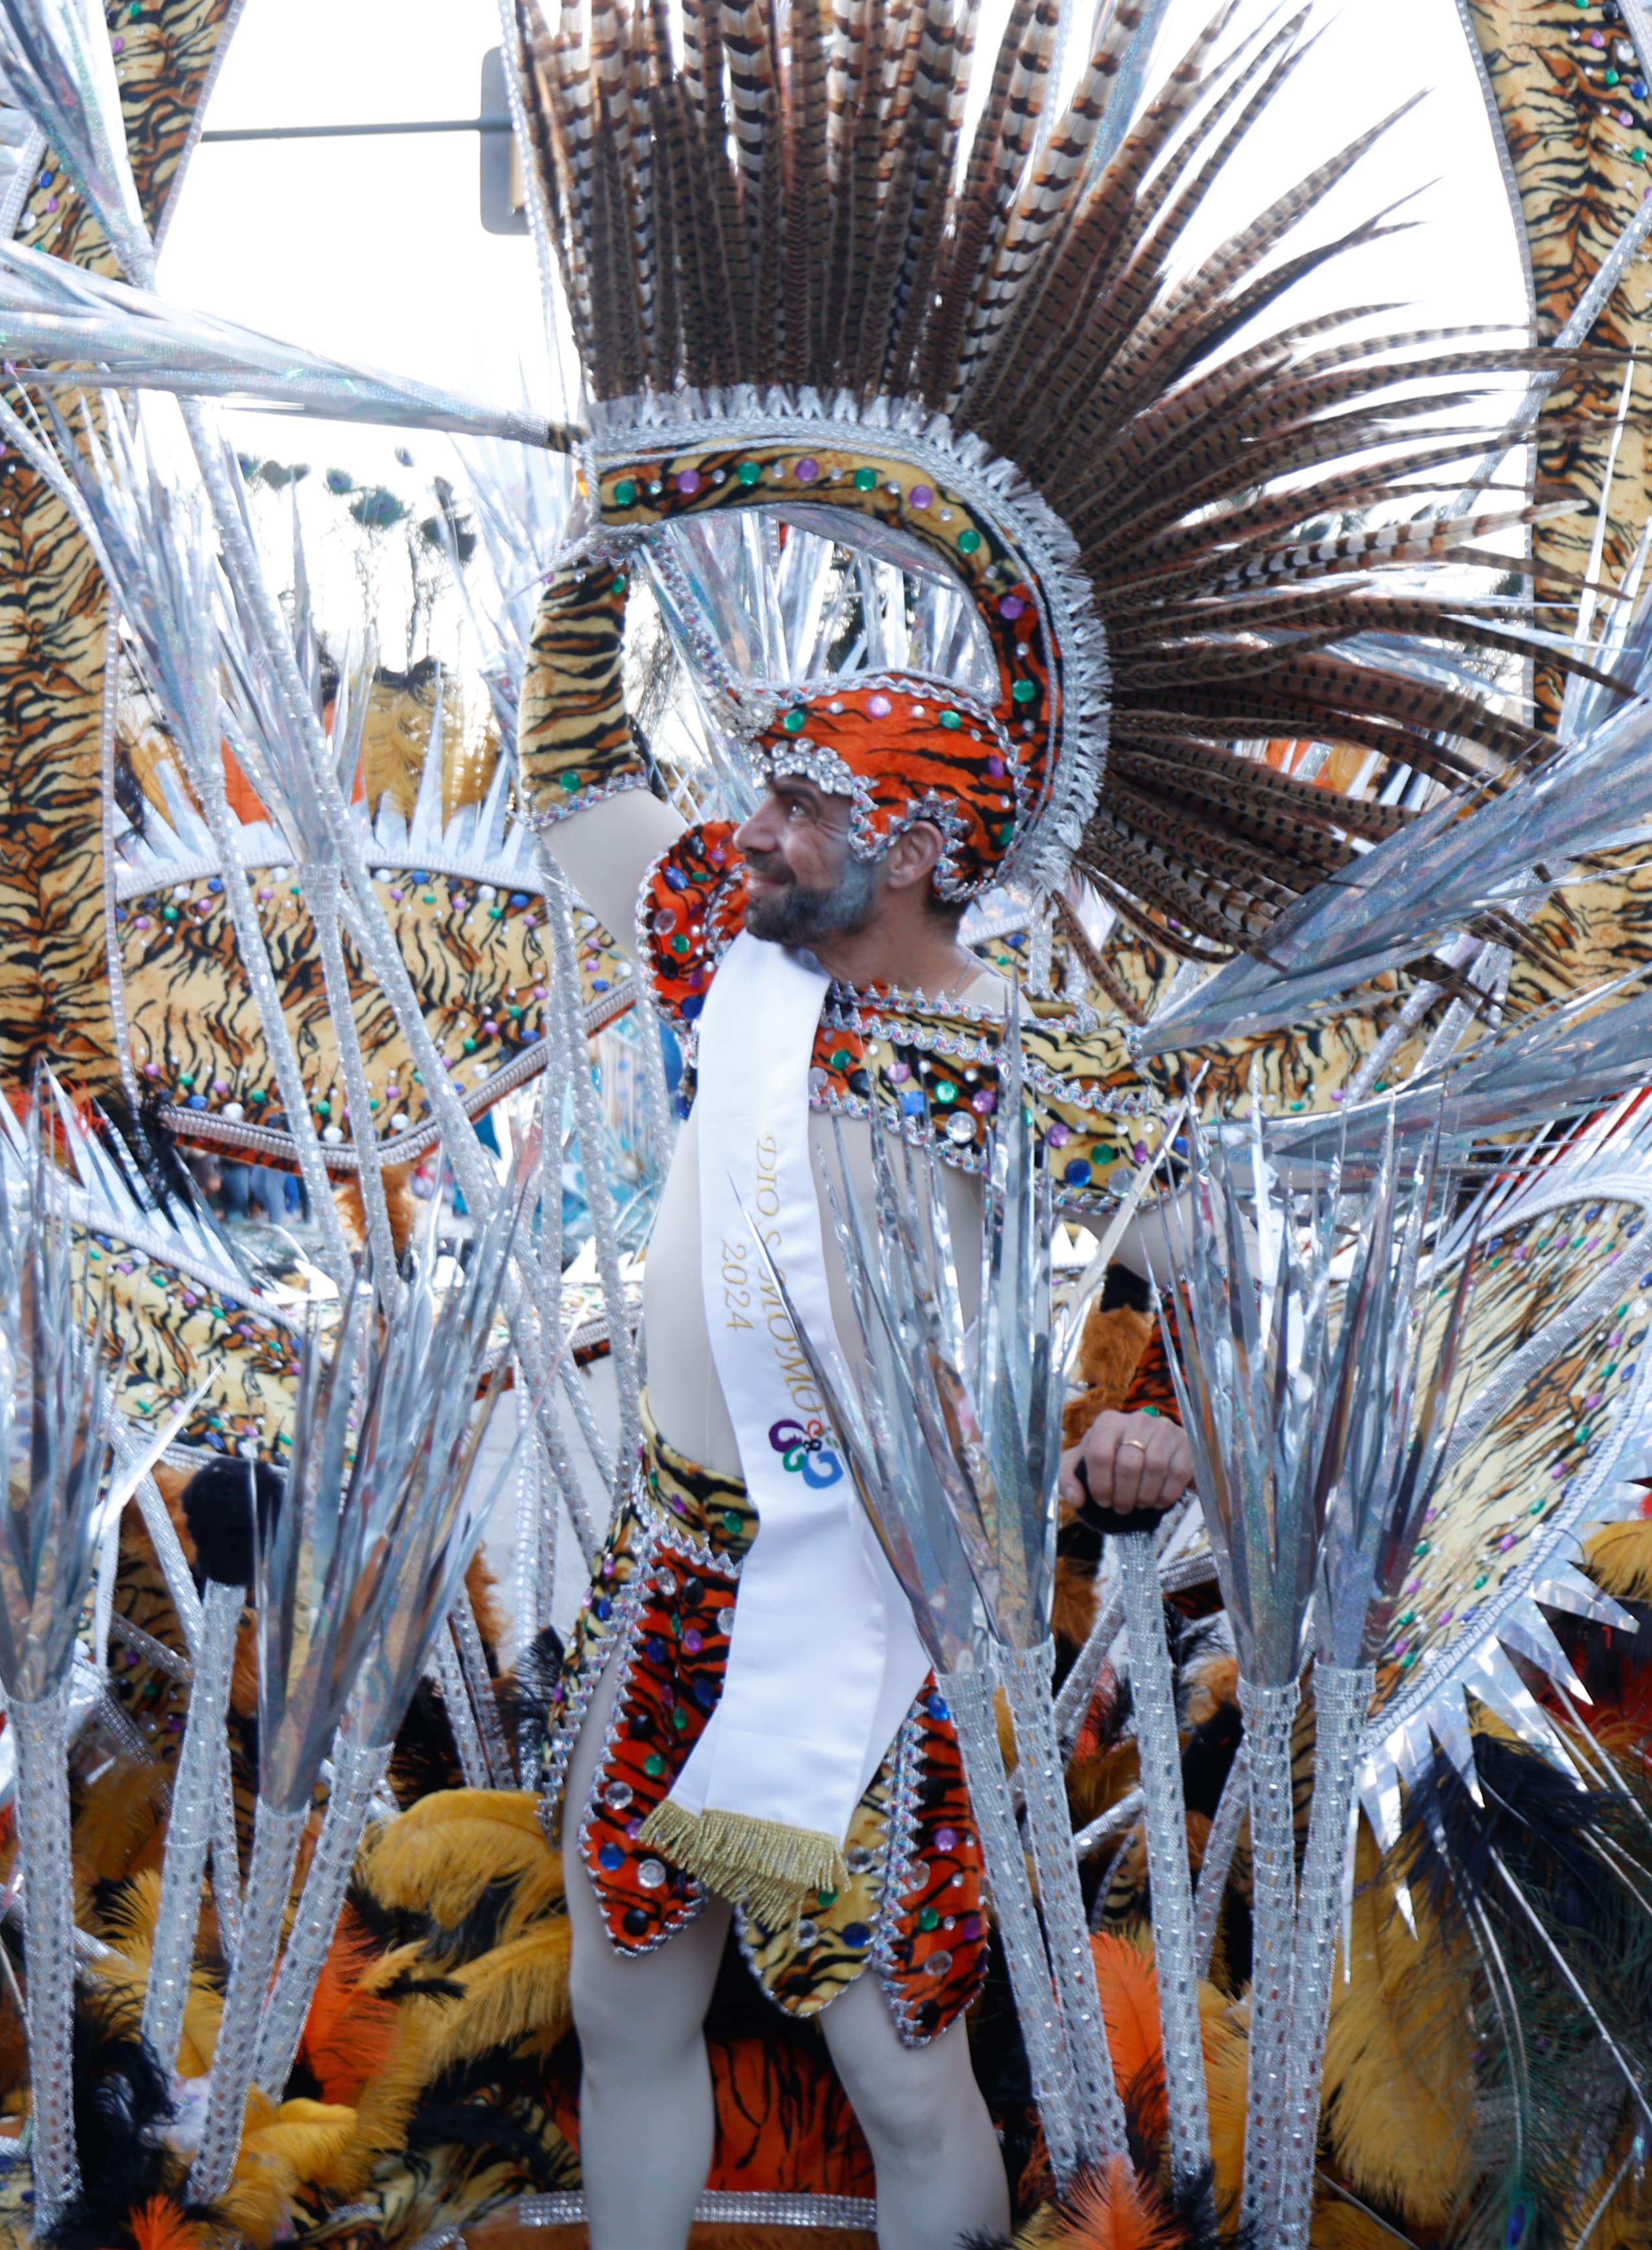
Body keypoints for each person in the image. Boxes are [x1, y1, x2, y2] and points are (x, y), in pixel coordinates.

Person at [528, 668, 1199, 2250]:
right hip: (671, 1567)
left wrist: (1161, 1417)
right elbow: (574, 784)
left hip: (868, 1597)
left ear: (908, 852)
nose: (752, 830)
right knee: (619, 2011)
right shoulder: (731, 949)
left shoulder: (1025, 1056)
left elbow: (1227, 1274)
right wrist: (603, 557)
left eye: (798, 806)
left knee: (900, 2075)